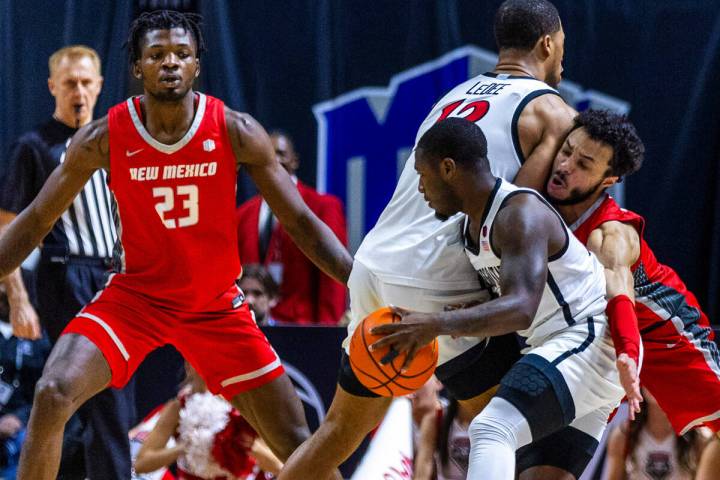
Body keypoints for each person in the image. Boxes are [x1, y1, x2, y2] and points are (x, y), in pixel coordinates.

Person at [0, 10, 351, 480]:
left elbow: (303, 222)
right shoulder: (103, 137)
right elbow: (36, 219)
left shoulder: (236, 129)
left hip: (215, 304)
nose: (170, 63)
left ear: (197, 65)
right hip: (136, 299)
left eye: (182, 54)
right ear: (138, 68)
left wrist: (360, 280)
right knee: (52, 392)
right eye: (157, 55)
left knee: (296, 441)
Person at [279, 1, 577, 477]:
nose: (565, 54)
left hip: (373, 265)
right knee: (532, 444)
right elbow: (516, 214)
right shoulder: (553, 111)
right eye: (563, 43)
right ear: (548, 43)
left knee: (338, 430)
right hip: (438, 282)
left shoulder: (453, 96)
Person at [368, 117, 623, 480]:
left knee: (490, 429)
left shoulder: (519, 212)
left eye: (422, 175)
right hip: (576, 356)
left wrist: (436, 324)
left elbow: (521, 308)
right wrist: (465, 311)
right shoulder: (472, 227)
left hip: (587, 338)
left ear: (448, 169)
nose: (421, 189)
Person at [522, 108, 720, 479]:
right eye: (565, 151)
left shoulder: (611, 233)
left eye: (583, 163)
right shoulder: (535, 206)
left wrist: (629, 356)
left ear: (607, 179)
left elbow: (619, 296)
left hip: (665, 340)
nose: (564, 165)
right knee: (545, 471)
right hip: (594, 347)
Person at [0, 45, 138, 479]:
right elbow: (6, 228)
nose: (78, 91)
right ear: (52, 87)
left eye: (85, 82)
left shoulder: (118, 141)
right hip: (67, 274)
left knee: (108, 400)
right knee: (100, 396)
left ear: (99, 86)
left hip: (119, 275)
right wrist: (18, 298)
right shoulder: (35, 146)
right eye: (69, 83)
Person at [235, 130, 347, 325]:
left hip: (304, 328)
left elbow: (333, 277)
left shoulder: (323, 206)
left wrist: (327, 331)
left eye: (280, 153)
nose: (273, 160)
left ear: (294, 161)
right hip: (252, 325)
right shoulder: (243, 214)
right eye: (267, 154)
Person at [135, 363, 282, 479]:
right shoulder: (179, 407)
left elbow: (279, 467)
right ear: (188, 366)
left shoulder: (247, 408)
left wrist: (245, 445)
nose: (208, 366)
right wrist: (185, 447)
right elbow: (141, 463)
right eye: (199, 360)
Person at [603, 388, 709, 480]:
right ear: (640, 384)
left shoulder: (700, 437)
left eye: (666, 378)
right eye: (651, 374)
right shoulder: (623, 435)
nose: (657, 383)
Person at [0, 287, 50, 479]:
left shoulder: (39, 338)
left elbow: (42, 394)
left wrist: (20, 418)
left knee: (32, 441)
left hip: (19, 423)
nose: (5, 293)